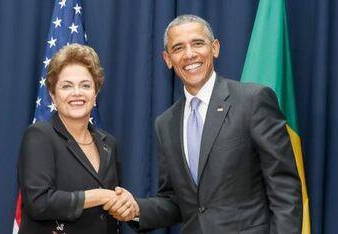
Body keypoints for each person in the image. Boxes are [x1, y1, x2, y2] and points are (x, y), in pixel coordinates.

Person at [111, 14, 303, 233]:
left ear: (215, 48)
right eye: (178, 48)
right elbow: (176, 201)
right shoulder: (165, 123)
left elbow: (285, 188)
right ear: (167, 59)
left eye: (198, 43)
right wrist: (136, 209)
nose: (189, 54)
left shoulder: (252, 101)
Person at [17, 44, 137, 234]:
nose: (77, 93)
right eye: (66, 86)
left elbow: (112, 209)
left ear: (95, 93)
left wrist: (126, 204)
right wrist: (99, 196)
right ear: (53, 95)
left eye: (85, 85)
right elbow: (38, 203)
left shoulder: (109, 144)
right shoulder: (40, 135)